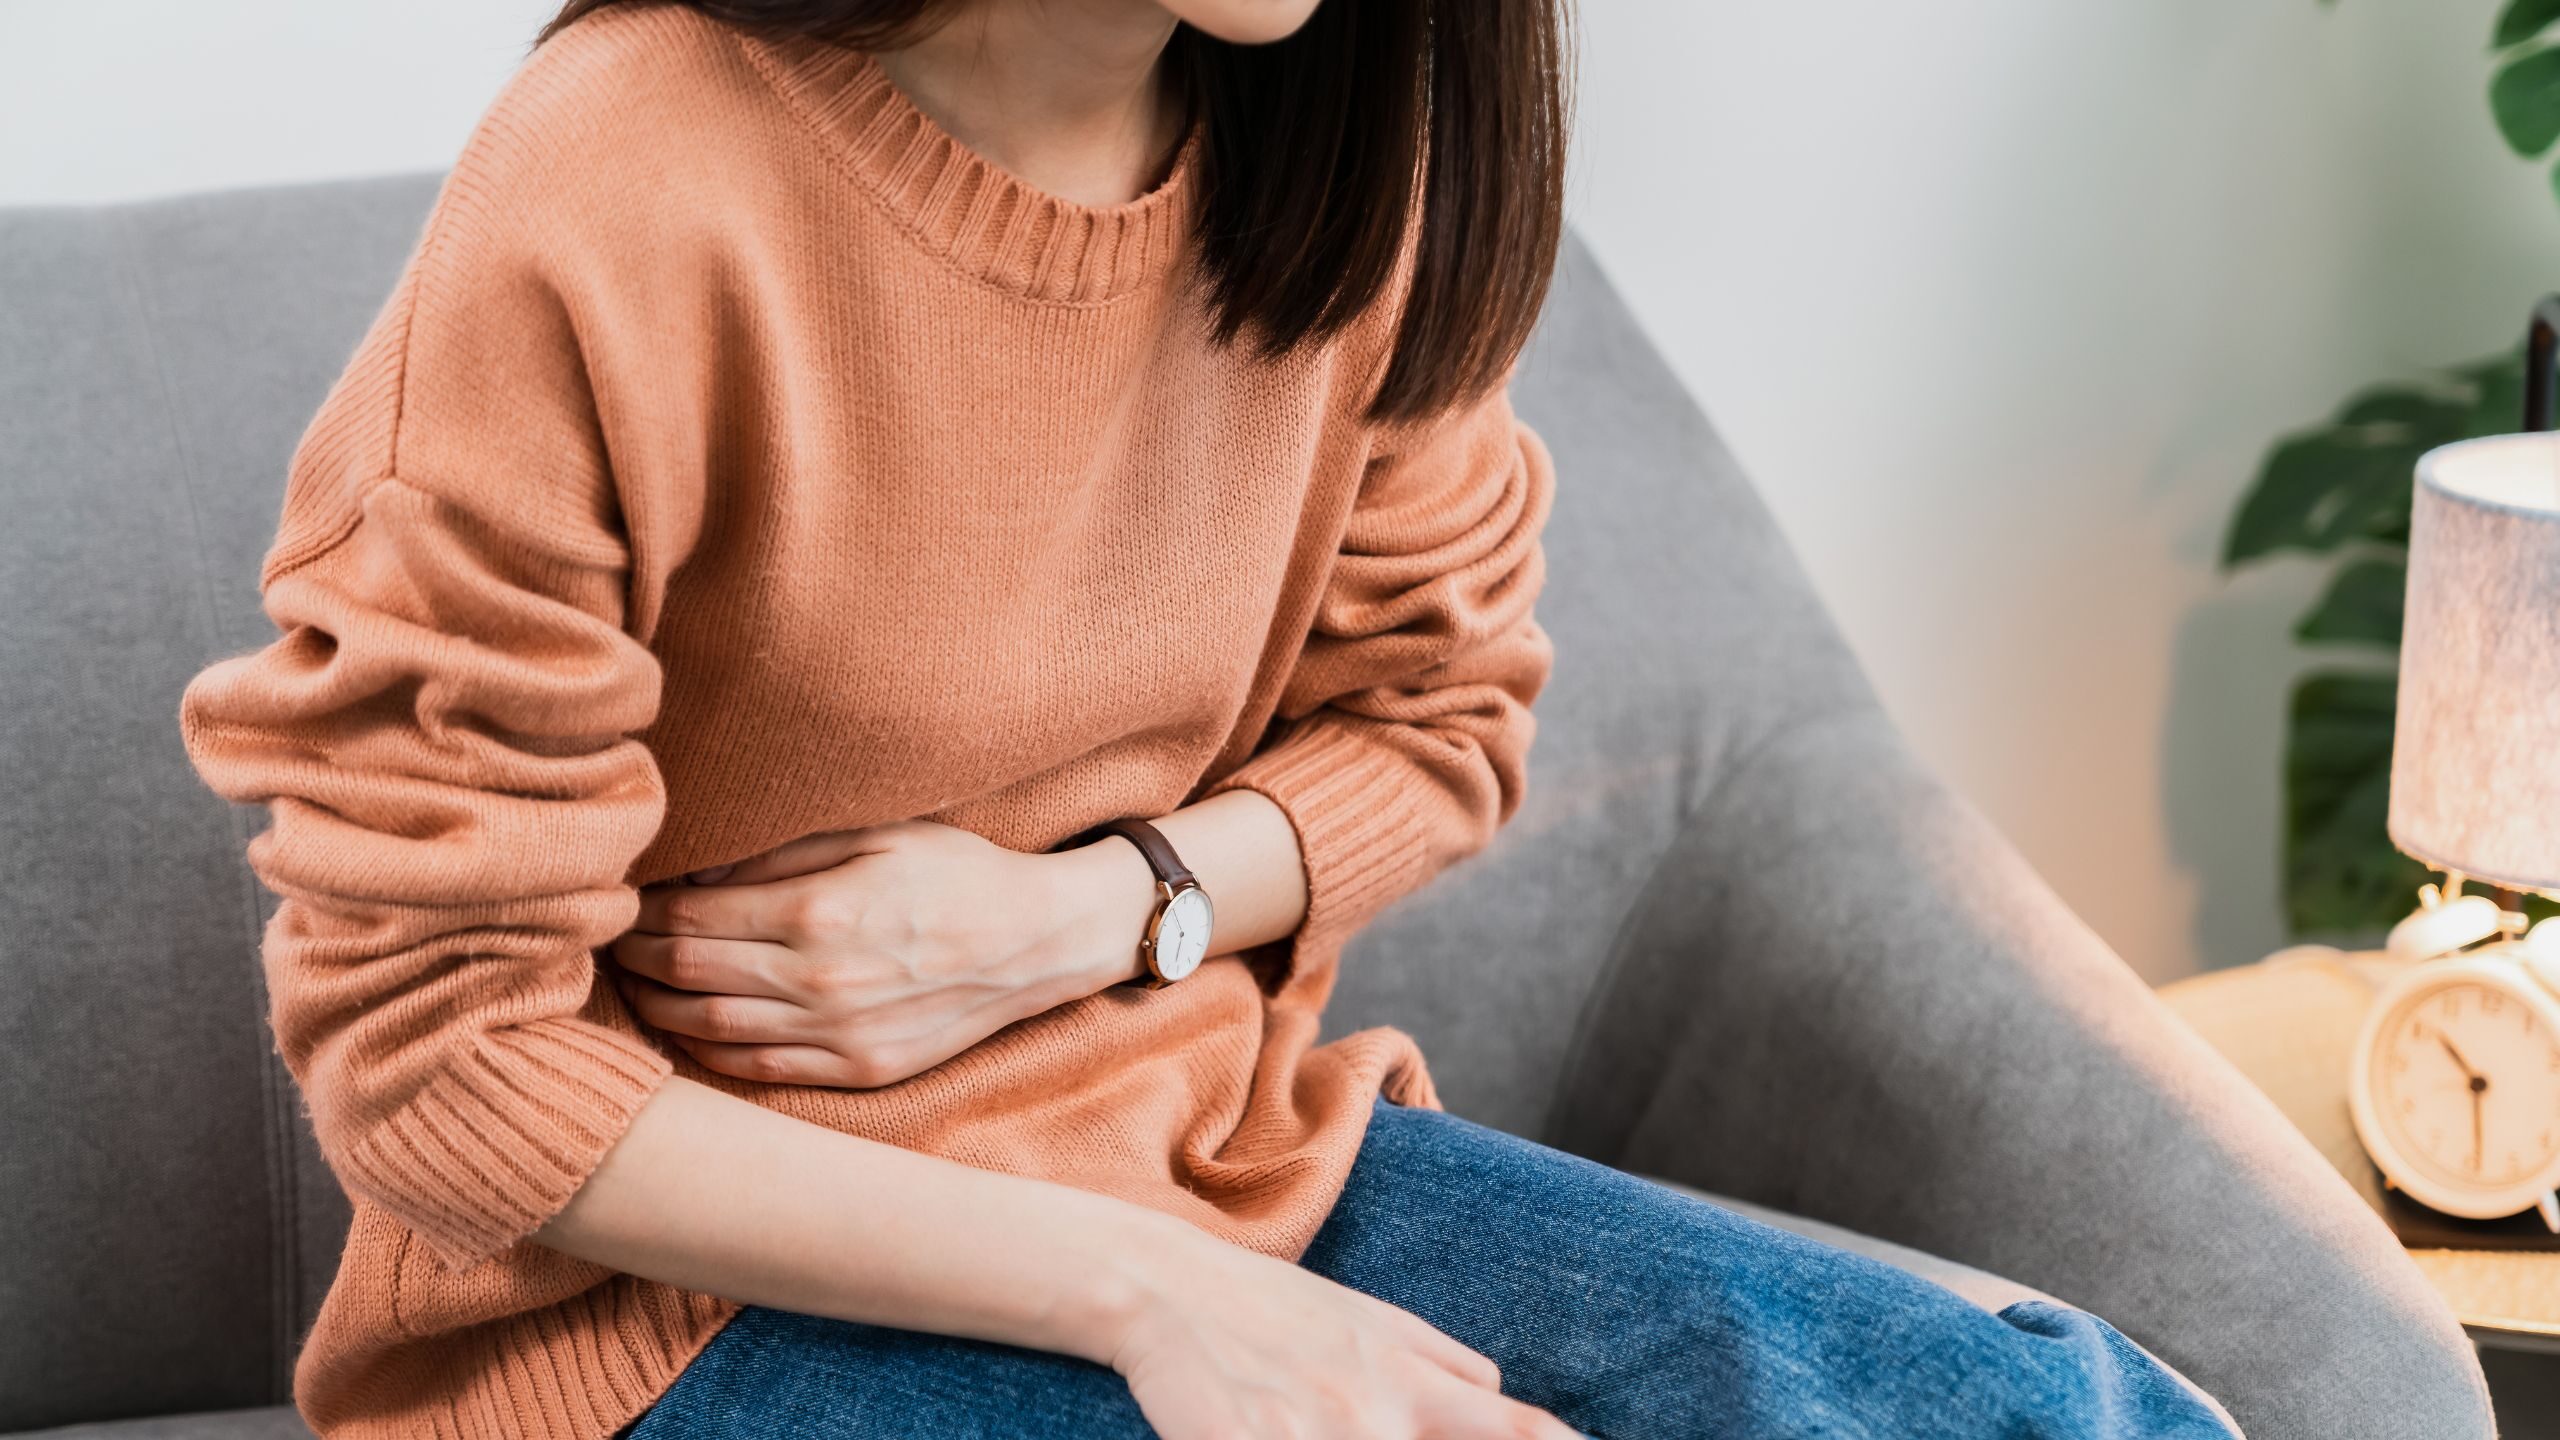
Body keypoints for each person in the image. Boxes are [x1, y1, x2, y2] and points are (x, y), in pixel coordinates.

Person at [176, 1, 2241, 1435]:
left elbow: (1434, 720)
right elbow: (438, 1060)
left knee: (2055, 1411)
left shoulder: (1349, 171)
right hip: (660, 1335)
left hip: (1219, 1154)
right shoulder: (631, 177)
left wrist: (1083, 916)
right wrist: (1157, 1298)